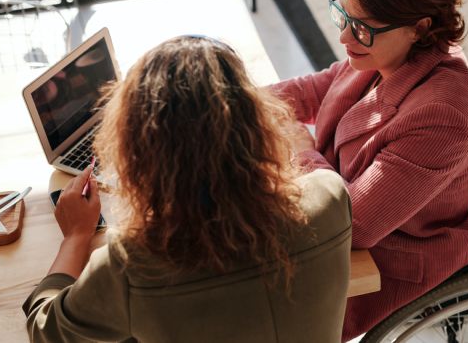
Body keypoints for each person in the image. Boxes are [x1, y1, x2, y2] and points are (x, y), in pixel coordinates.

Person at [22, 36, 353, 342]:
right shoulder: (331, 197)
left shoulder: (132, 264)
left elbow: (45, 331)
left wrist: (76, 236)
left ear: (138, 151)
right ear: (258, 123)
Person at [270, 0, 468, 341]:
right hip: (363, 201)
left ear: (421, 27)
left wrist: (301, 147)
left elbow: (354, 226)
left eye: (360, 27)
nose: (344, 37)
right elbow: (316, 89)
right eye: (342, 14)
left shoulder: (441, 117)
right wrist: (230, 99)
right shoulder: (385, 49)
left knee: (268, 300)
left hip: (400, 252)